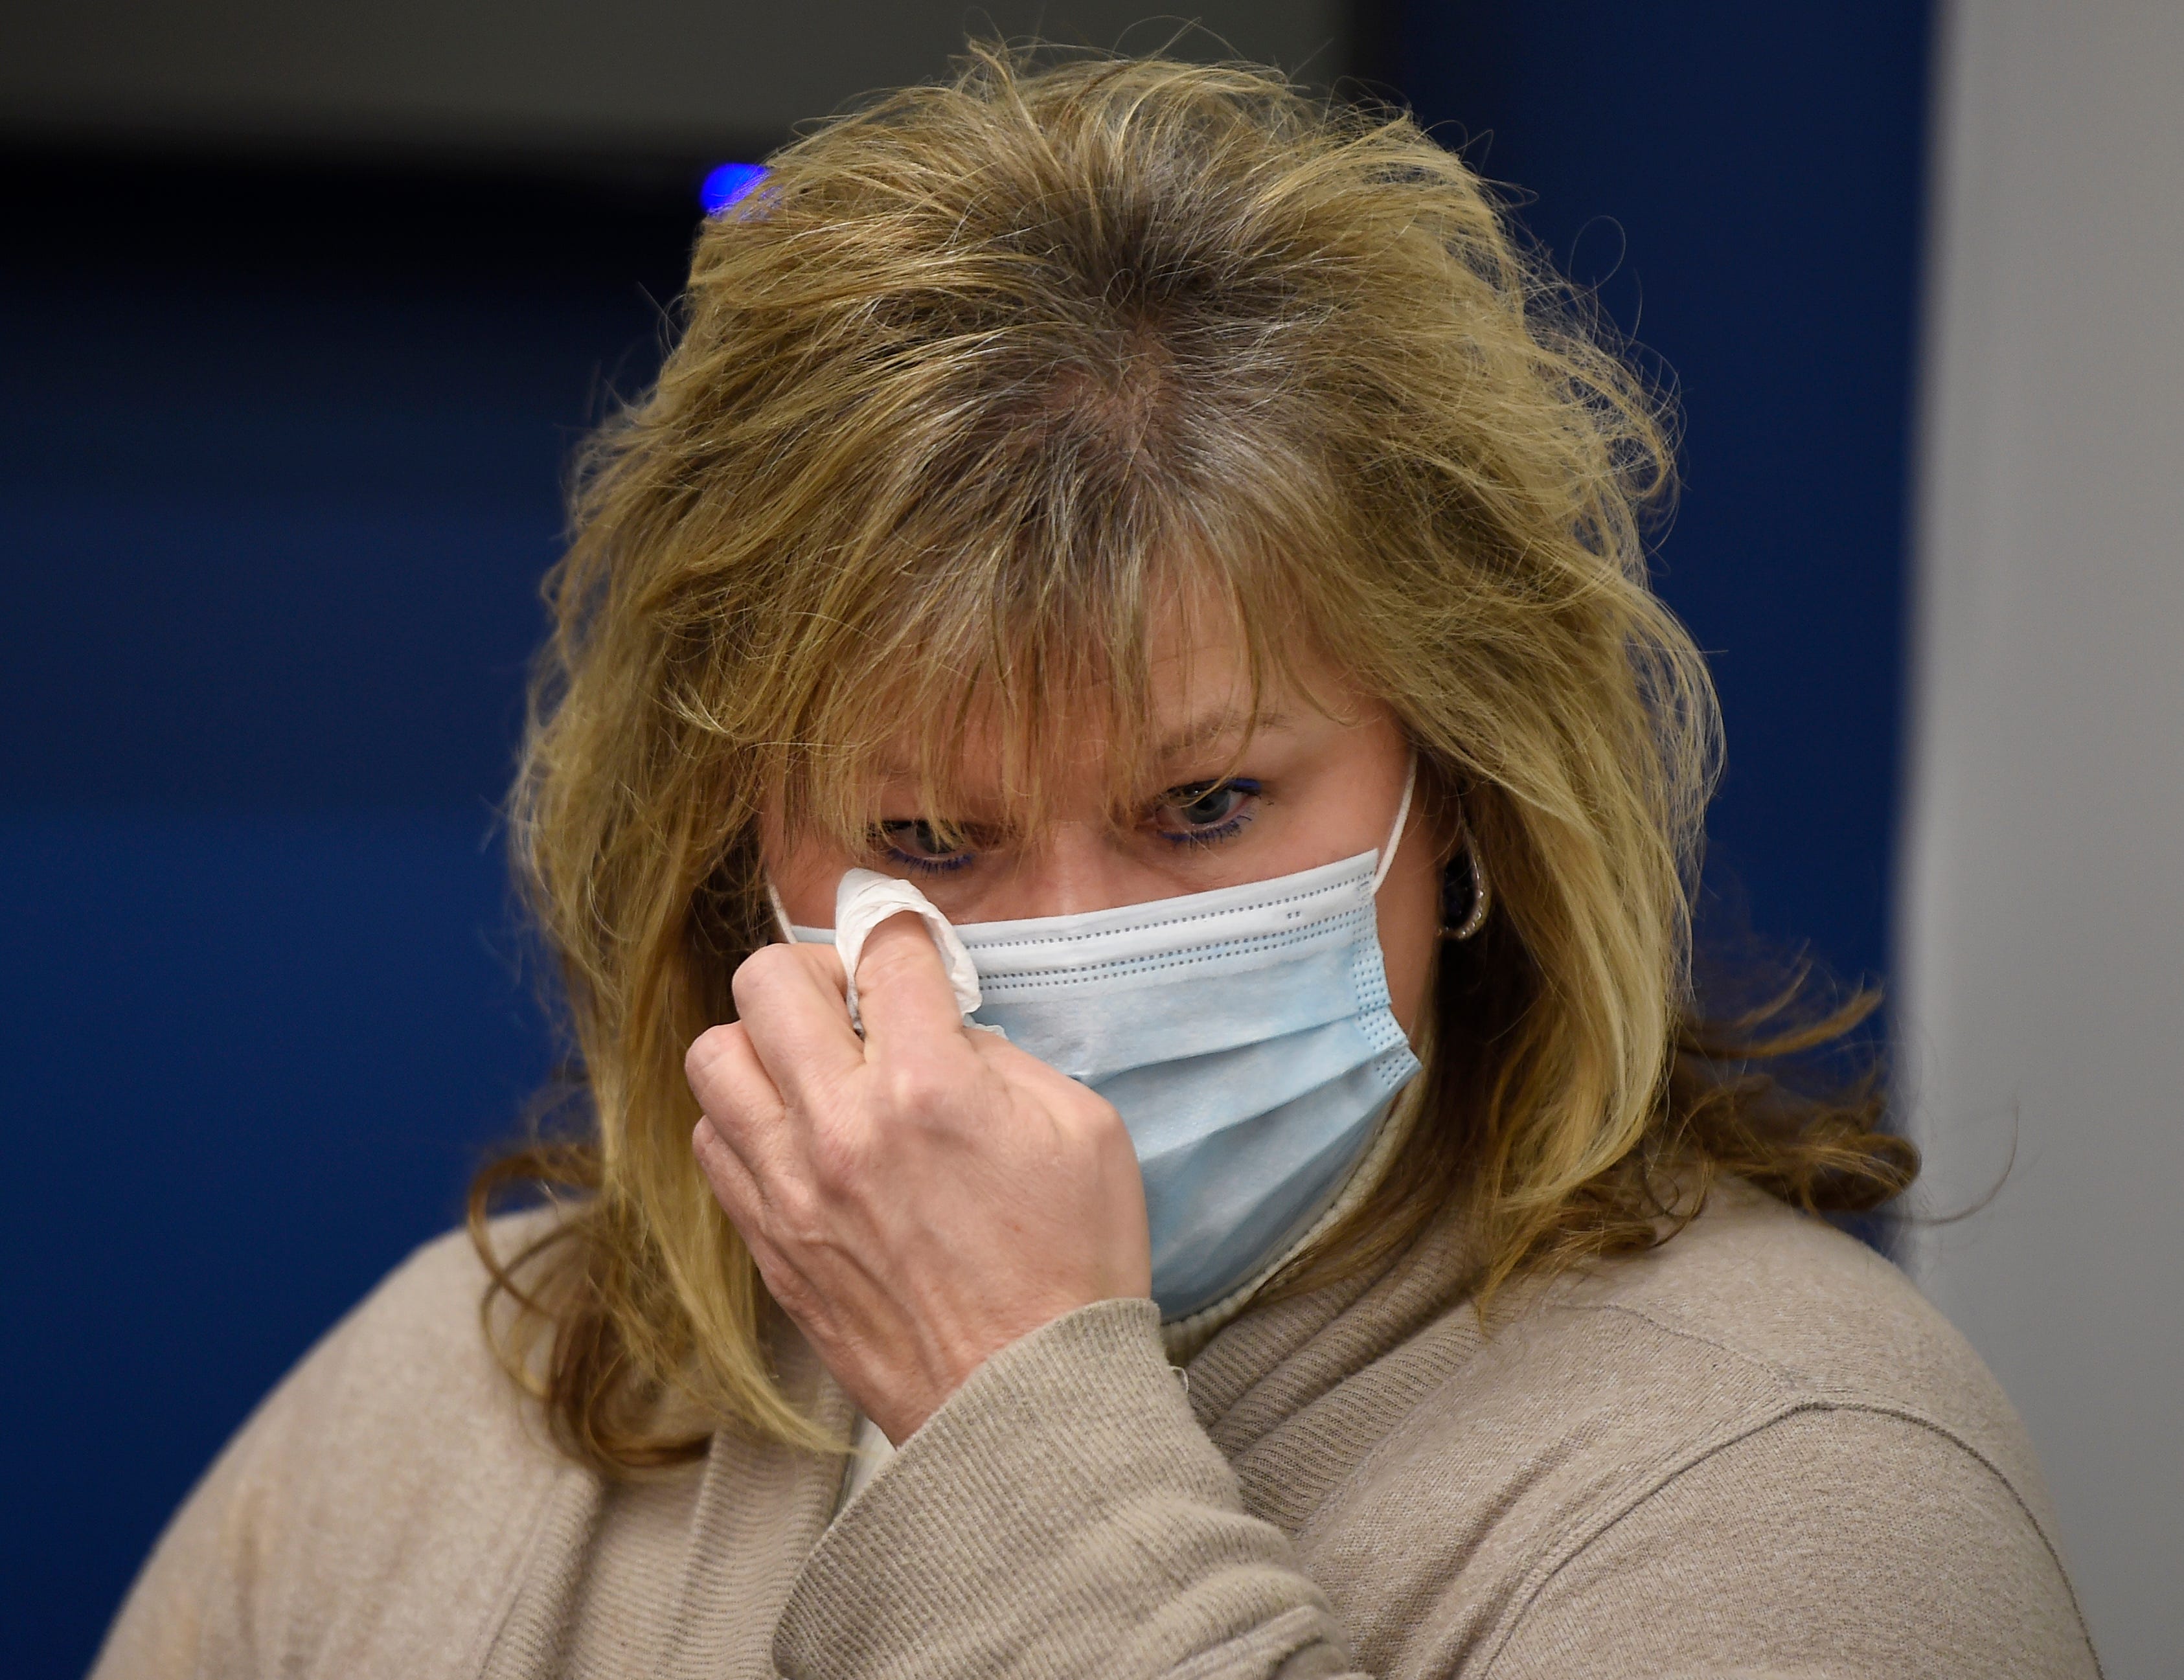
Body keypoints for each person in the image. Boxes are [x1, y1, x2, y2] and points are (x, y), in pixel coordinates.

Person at [94, 48, 2099, 1680]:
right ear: (742, 861)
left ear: (1464, 792)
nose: (1067, 943)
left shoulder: (1793, 1488)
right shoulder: (445, 1407)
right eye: (925, 838)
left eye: (1206, 805)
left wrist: (1012, 1420)